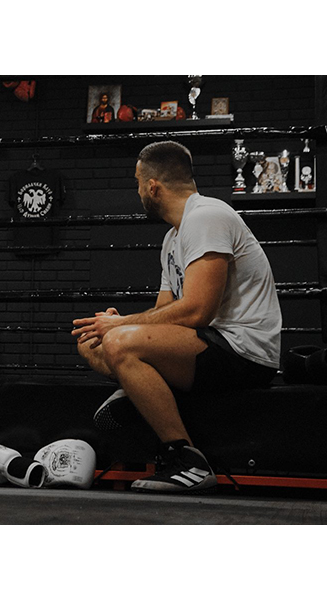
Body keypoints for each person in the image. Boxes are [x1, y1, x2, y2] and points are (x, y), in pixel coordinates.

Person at [72, 140, 281, 494]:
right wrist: (121, 324)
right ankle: (139, 389)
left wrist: (123, 328)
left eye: (138, 183)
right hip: (206, 344)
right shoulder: (173, 238)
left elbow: (199, 310)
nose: (138, 191)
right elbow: (163, 313)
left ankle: (187, 460)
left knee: (120, 342)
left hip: (243, 351)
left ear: (153, 187)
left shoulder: (207, 217)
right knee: (92, 343)